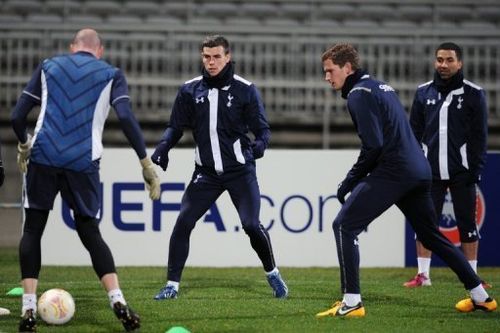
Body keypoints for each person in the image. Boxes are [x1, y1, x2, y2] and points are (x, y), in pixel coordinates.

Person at [315, 43, 496, 318]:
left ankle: (352, 302)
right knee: (431, 236)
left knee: (344, 225)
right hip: (421, 171)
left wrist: (349, 180)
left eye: (330, 71)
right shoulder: (380, 87)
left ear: (347, 68)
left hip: (396, 171)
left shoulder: (357, 95)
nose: (327, 77)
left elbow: (373, 146)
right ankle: (481, 296)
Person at [11, 28, 160, 332]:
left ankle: (28, 309)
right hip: (83, 161)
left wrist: (24, 144)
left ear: (72, 47)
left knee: (33, 230)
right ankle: (117, 299)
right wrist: (145, 162)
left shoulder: (48, 66)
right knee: (90, 232)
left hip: (43, 155)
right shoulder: (111, 74)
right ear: (99, 50)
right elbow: (127, 119)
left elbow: (17, 116)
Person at [151, 35, 288, 300]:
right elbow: (176, 126)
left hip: (240, 171)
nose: (211, 62)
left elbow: (263, 130)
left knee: (250, 224)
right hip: (206, 174)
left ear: (227, 57)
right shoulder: (190, 90)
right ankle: (171, 286)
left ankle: (273, 274)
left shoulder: (245, 89)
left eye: (216, 57)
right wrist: (163, 146)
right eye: (206, 57)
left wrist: (260, 145)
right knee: (183, 222)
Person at [405, 42, 490, 288]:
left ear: (459, 63)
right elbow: (414, 134)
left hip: (462, 173)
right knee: (424, 222)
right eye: (440, 59)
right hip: (429, 173)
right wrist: (415, 166)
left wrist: (475, 169)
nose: (443, 64)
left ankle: (472, 276)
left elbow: (479, 137)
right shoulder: (423, 93)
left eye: (449, 60)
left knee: (467, 224)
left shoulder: (474, 93)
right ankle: (423, 275)